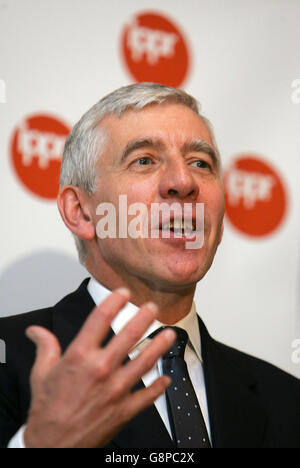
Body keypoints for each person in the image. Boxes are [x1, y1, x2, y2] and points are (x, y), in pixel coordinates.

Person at [0, 83, 298, 449]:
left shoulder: (285, 398)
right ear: (81, 212)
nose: (183, 182)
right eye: (144, 160)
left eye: (200, 163)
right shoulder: (8, 363)